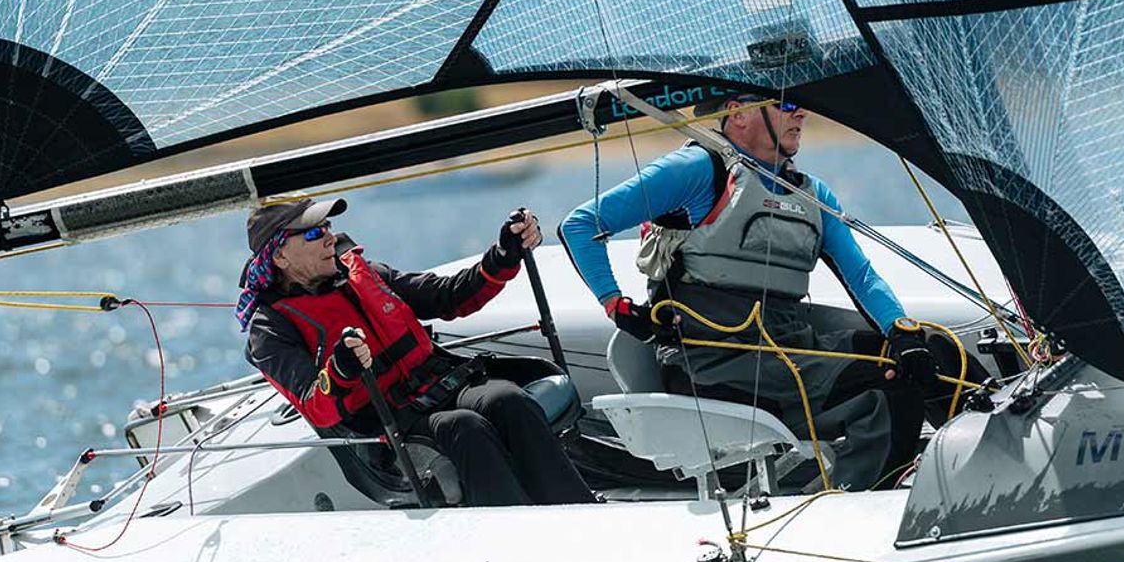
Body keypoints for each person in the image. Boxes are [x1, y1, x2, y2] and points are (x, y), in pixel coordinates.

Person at [560, 93, 978, 490]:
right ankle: (866, 509)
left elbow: (863, 277)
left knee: (938, 351)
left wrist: (901, 333)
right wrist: (617, 305)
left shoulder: (811, 193)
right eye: (788, 105)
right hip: (716, 363)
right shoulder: (697, 170)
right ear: (738, 114)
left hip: (788, 348)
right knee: (884, 388)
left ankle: (993, 467)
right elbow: (580, 225)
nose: (802, 115)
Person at [238, 197, 594, 507]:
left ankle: (578, 513)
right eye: (314, 233)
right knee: (464, 427)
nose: (330, 236)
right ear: (280, 255)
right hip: (385, 430)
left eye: (328, 226)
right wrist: (342, 369)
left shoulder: (364, 273)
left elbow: (448, 296)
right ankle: (512, 538)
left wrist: (502, 256)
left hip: (444, 384)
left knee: (507, 399)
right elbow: (316, 404)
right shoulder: (270, 330)